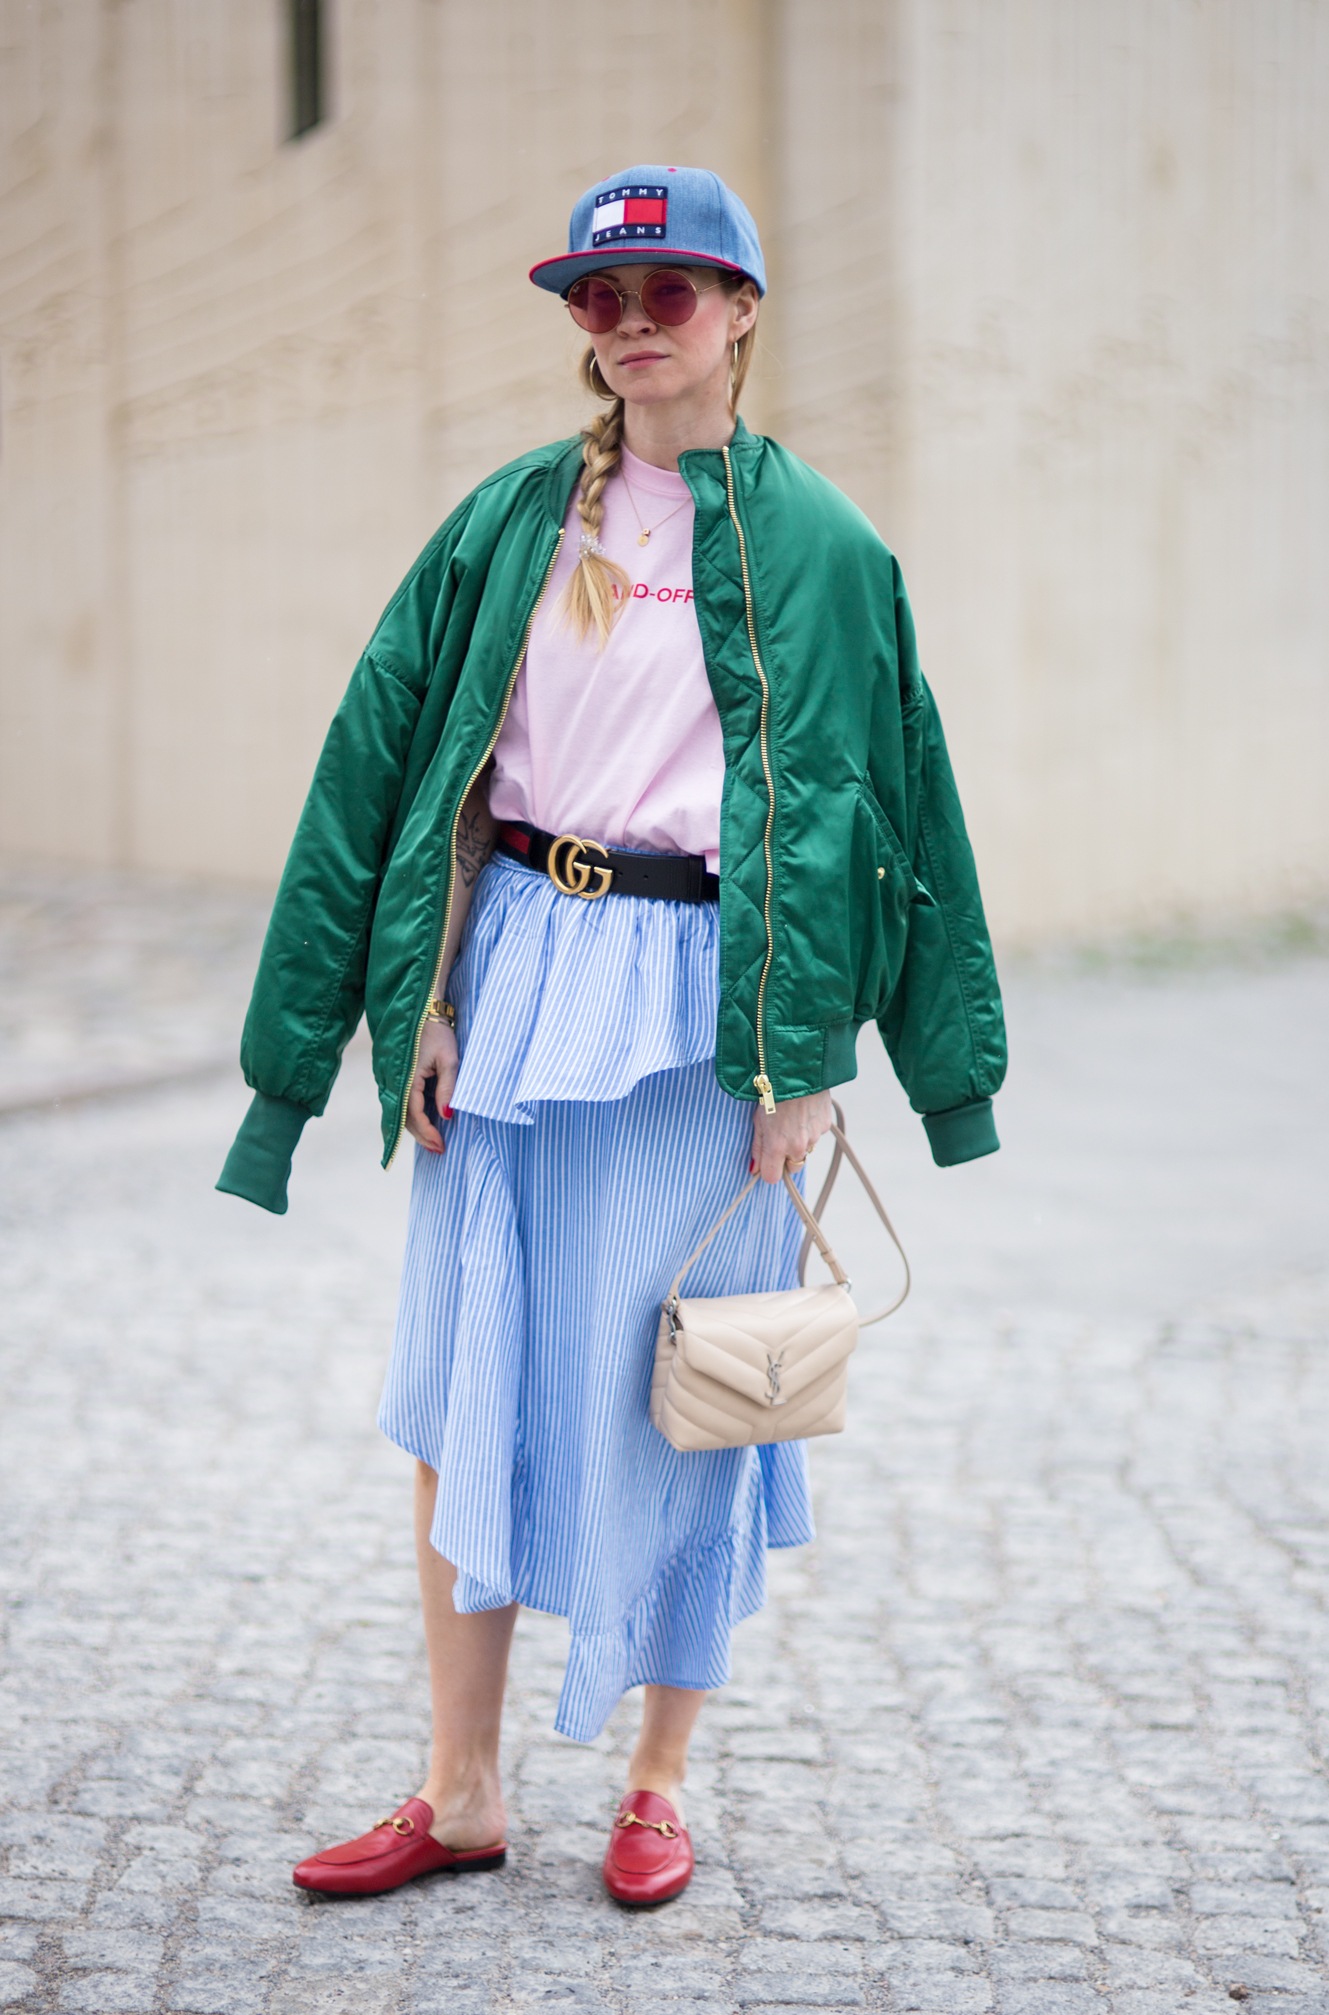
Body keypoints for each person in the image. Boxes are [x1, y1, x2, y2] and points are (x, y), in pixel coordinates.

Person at [217, 164, 1006, 1907]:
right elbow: (384, 771)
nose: (633, 321)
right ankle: (462, 1788)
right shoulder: (515, 522)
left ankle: (658, 1780)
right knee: (470, 1376)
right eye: (600, 294)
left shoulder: (827, 548)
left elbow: (891, 809)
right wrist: (413, 1001)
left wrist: (821, 1061)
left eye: (669, 289)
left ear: (741, 309)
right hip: (514, 972)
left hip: (701, 1004)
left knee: (693, 1386)